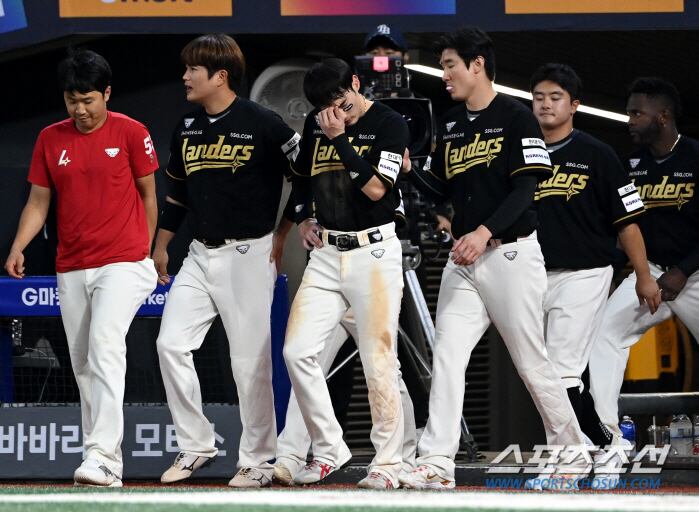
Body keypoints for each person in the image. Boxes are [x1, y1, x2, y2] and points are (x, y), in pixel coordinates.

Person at [399, 27, 587, 490]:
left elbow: (526, 190)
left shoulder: (517, 116)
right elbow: (440, 190)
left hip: (510, 254)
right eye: (443, 66)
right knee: (446, 356)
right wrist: (408, 171)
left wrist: (484, 231)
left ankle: (573, 452)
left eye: (450, 65)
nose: (444, 75)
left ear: (477, 64)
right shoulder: (451, 122)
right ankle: (436, 460)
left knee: (530, 361)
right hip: (465, 261)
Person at [4, 49, 159, 487]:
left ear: (106, 93)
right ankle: (101, 460)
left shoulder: (132, 132)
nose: (80, 109)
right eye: (72, 100)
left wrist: (144, 252)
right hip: (71, 265)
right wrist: (18, 246)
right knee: (83, 360)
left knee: (105, 345)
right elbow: (39, 202)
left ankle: (103, 456)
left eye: (88, 100)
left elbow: (149, 194)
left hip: (124, 261)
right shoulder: (50, 138)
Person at [153, 34, 300, 488]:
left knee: (249, 363)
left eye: (192, 69)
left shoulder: (264, 123)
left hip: (249, 254)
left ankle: (259, 459)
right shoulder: (187, 126)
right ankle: (196, 444)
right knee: (170, 344)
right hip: (199, 253)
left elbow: (308, 177)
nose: (185, 76)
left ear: (220, 76)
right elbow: (177, 195)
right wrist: (161, 245)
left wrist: (282, 233)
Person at [529, 63, 661, 483]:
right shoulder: (520, 151)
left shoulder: (597, 154)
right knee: (543, 375)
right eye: (538, 97)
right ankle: (602, 445)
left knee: (562, 370)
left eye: (556, 97)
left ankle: (574, 458)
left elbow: (628, 221)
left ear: (574, 106)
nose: (546, 104)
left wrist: (643, 275)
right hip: (530, 275)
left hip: (586, 272)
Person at [282, 58, 409, 489]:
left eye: (341, 100)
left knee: (378, 360)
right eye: (325, 107)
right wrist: (303, 217)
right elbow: (301, 175)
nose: (336, 112)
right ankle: (330, 447)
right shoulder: (316, 125)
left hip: (374, 251)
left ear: (356, 83)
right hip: (326, 253)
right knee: (297, 352)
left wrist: (339, 139)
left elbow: (375, 189)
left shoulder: (389, 123)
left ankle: (388, 464)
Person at [589, 77, 699, 437]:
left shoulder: (695, 156)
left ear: (663, 116)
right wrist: (619, 272)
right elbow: (624, 226)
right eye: (629, 113)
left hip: (694, 272)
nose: (630, 121)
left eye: (637, 113)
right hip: (649, 273)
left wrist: (683, 271)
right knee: (604, 334)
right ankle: (604, 434)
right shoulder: (631, 164)